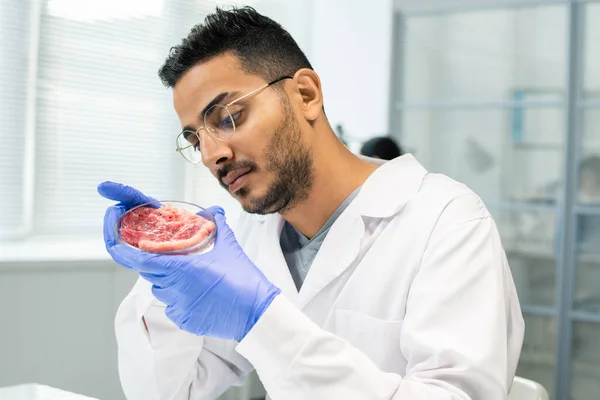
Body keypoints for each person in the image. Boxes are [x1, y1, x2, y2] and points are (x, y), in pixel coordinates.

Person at [99, 7, 524, 400]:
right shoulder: (249, 237)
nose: (212, 155)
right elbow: (171, 392)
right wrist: (161, 272)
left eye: (228, 117)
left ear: (305, 94)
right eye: (195, 139)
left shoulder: (446, 222)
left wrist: (264, 322)